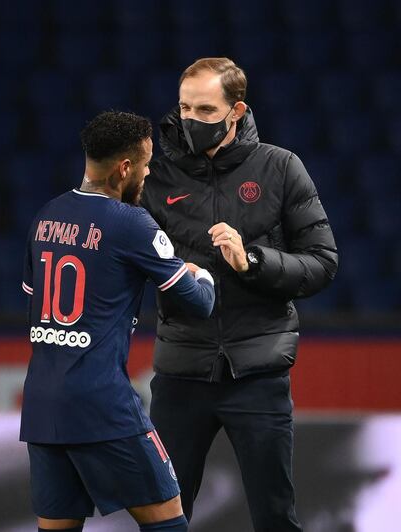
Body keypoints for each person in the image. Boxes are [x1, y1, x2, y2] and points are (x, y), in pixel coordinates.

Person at [140, 57, 338, 531]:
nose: (190, 121)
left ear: (236, 110)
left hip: (258, 372)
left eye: (205, 111)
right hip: (181, 372)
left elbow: (322, 263)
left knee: (274, 517)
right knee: (161, 518)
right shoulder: (157, 179)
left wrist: (253, 261)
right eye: (184, 108)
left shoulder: (281, 167)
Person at [20, 111, 216, 532]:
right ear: (124, 168)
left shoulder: (45, 217)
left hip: (41, 405)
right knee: (168, 521)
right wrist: (205, 275)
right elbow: (198, 304)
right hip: (101, 404)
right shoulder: (131, 223)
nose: (147, 174)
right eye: (145, 164)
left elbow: (33, 300)